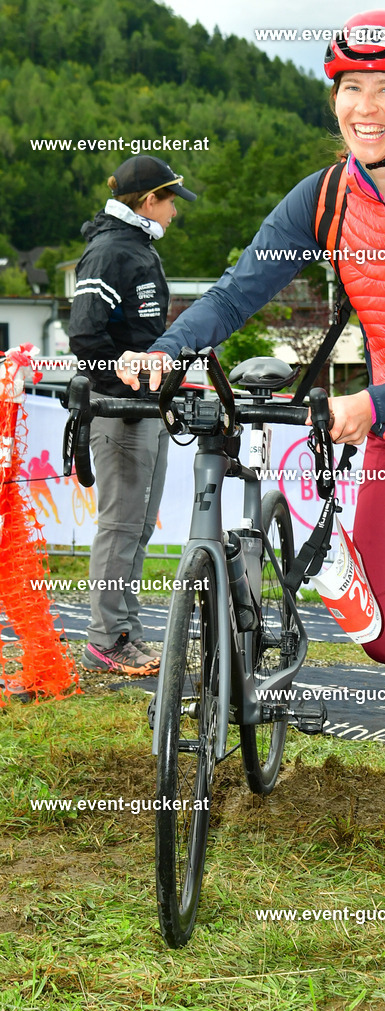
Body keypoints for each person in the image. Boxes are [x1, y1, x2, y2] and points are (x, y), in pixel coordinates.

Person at [116, 10, 385, 896]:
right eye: (350, 89)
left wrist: (372, 398)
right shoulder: (322, 197)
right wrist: (168, 347)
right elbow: (241, 289)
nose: (365, 106)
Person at [69, 155, 196, 676]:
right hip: (121, 412)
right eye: (170, 202)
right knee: (121, 526)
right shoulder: (108, 252)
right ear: (148, 202)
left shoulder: (136, 247)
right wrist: (118, 379)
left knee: (139, 528)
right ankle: (105, 639)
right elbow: (84, 335)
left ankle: (127, 633)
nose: (173, 213)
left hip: (149, 405)